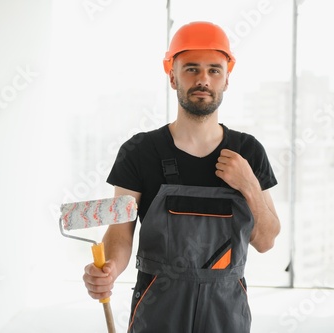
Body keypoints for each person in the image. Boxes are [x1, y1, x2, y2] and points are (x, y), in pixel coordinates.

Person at [83, 21, 281, 332]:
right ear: (173, 77)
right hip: (159, 308)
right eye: (191, 68)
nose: (203, 79)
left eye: (214, 70)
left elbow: (266, 240)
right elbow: (120, 235)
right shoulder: (139, 152)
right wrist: (109, 270)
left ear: (227, 79)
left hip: (225, 312)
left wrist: (249, 186)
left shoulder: (248, 152)